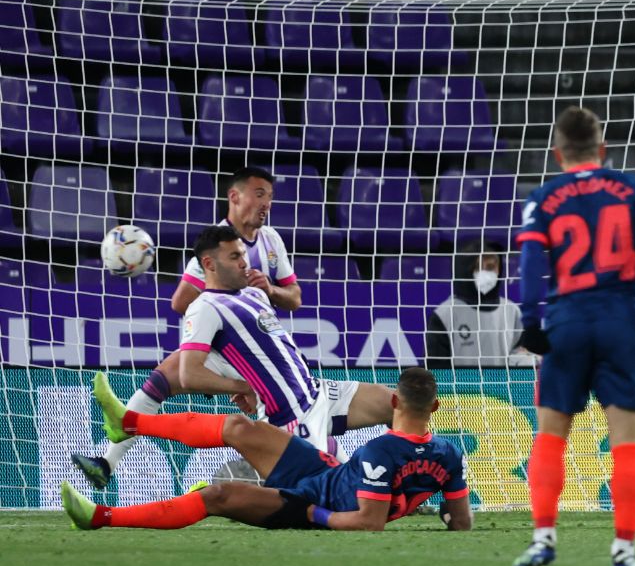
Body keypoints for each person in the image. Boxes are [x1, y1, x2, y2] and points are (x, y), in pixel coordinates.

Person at [512, 106, 635, 566]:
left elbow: (530, 259)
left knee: (551, 436)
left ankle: (543, 539)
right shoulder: (631, 187)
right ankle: (624, 549)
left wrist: (531, 320)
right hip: (622, 320)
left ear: (557, 152)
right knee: (627, 441)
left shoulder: (544, 197)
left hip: (567, 319)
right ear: (602, 149)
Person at [82, 226, 397, 477]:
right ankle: (222, 484)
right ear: (209, 264)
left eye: (243, 255)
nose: (245, 263)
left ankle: (414, 483)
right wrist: (245, 386)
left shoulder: (254, 293)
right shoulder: (204, 308)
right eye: (235, 257)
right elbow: (189, 373)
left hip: (319, 393)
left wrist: (270, 292)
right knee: (337, 499)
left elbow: (272, 349)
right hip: (287, 420)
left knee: (401, 403)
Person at [74, 166, 304, 488]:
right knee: (165, 376)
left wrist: (269, 290)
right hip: (231, 346)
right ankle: (107, 463)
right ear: (235, 197)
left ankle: (241, 486)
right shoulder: (216, 248)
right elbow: (181, 302)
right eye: (259, 194)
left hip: (265, 350)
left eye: (270, 196)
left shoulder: (271, 240)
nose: (266, 203)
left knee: (279, 437)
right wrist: (226, 308)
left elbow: (294, 298)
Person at [62, 366, 471, 532]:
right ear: (435, 407)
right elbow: (462, 522)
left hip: (311, 500)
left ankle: (101, 517)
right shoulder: (449, 453)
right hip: (324, 470)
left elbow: (369, 523)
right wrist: (437, 508)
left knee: (217, 495)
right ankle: (129, 422)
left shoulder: (383, 449)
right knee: (241, 426)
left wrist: (315, 513)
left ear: (394, 402)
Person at [424, 242, 536, 369]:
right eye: (478, 267)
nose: (485, 273)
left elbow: (522, 355)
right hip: (461, 389)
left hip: (504, 388)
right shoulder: (445, 314)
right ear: (465, 270)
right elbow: (436, 369)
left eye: (490, 267)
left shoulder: (512, 311)